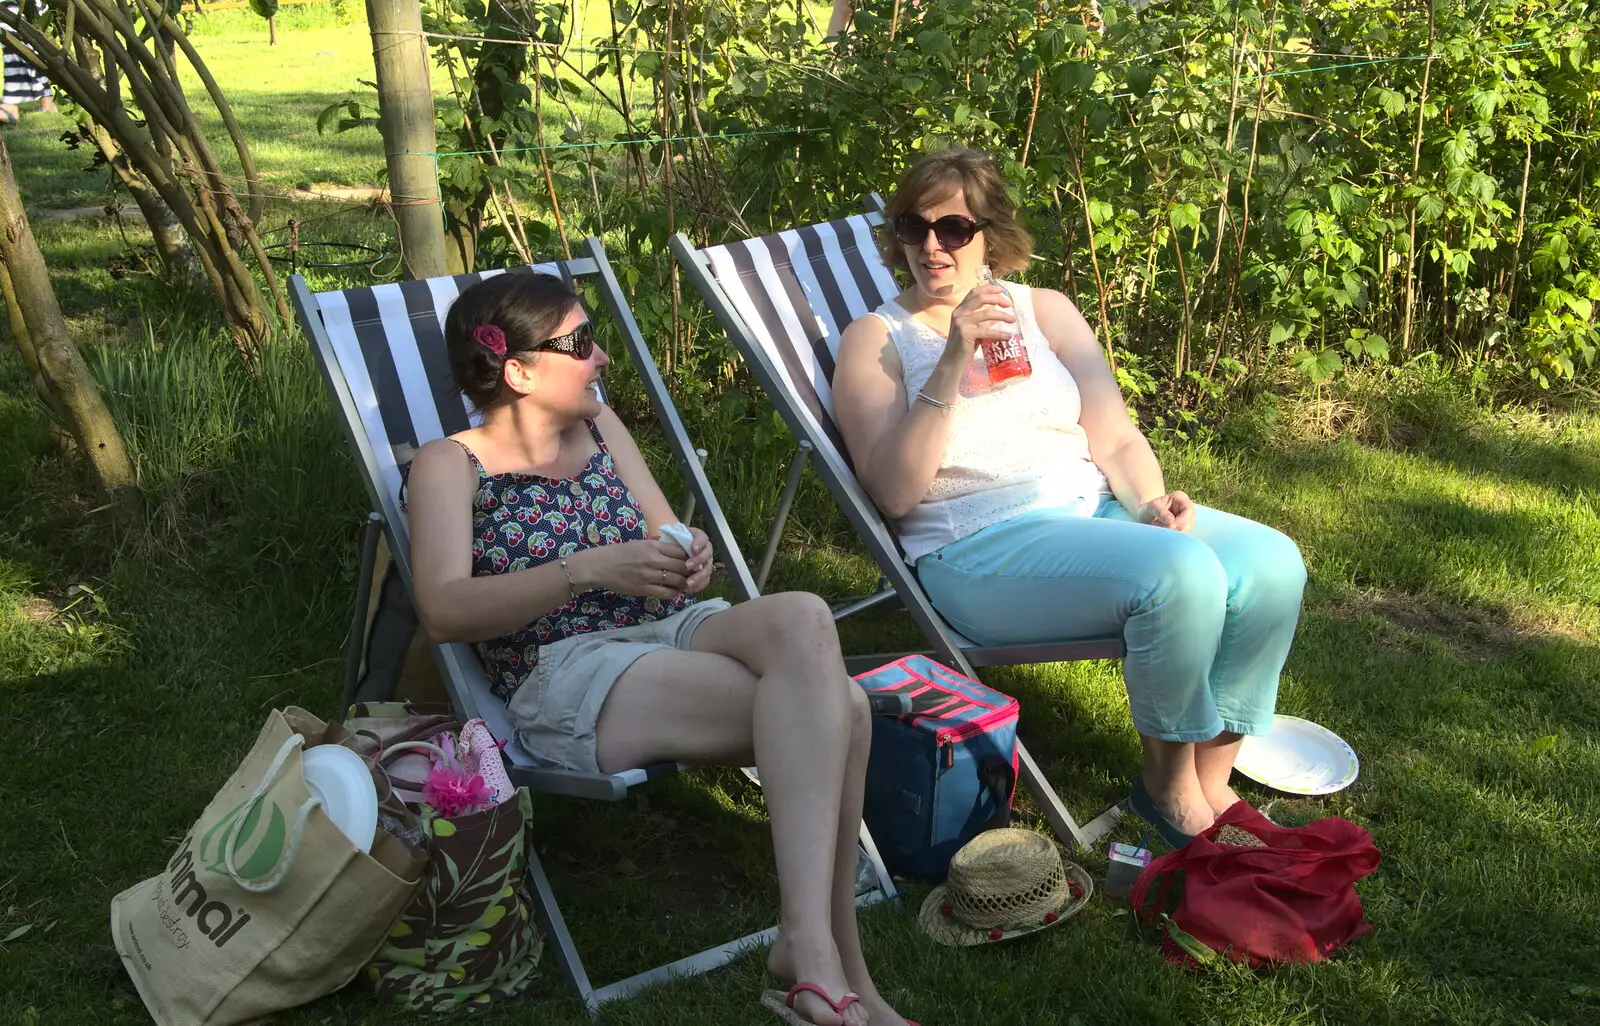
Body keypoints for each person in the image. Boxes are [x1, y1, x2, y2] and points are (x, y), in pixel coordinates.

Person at [404, 272, 909, 1026]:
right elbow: (444, 610)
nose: (602, 357)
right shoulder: (452, 464)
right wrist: (584, 571)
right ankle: (837, 965)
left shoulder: (604, 429)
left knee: (804, 614)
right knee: (844, 706)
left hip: (668, 623)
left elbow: (664, 533)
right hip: (569, 669)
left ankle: (808, 947)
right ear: (518, 370)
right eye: (579, 344)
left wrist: (690, 553)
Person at [830, 147, 1308, 847]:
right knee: (1181, 576)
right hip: (980, 546)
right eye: (912, 226)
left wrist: (1149, 504)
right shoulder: (875, 339)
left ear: (989, 232)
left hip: (1096, 511)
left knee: (1270, 562)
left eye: (953, 228)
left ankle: (1212, 781)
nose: (931, 246)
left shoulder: (1043, 309)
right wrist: (954, 355)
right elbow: (896, 494)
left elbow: (1113, 438)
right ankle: (1167, 796)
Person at [2, 3, 57, 125]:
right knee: (20, 45)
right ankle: (47, 102)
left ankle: (10, 104)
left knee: (15, 41)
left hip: (21, 5)